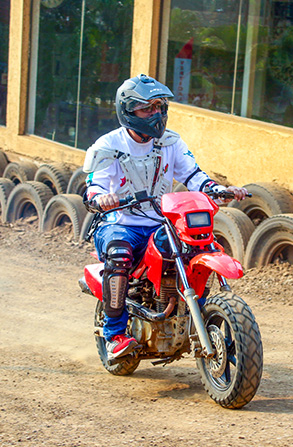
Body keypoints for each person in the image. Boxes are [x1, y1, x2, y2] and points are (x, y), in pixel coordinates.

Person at [82, 74, 248, 360]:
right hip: (120, 222)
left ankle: (201, 313)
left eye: (160, 106)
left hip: (162, 221)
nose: (156, 114)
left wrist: (218, 190)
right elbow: (94, 185)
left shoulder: (171, 142)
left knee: (197, 246)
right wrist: (101, 197)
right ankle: (114, 334)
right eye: (148, 108)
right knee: (119, 254)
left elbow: (193, 175)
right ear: (128, 111)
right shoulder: (108, 145)